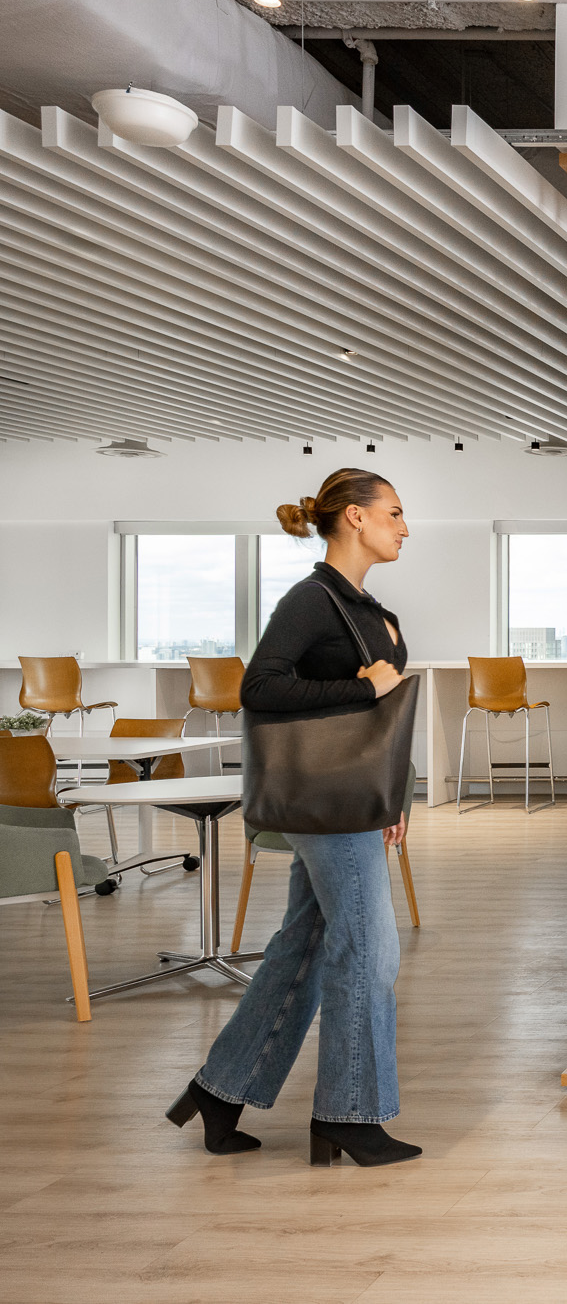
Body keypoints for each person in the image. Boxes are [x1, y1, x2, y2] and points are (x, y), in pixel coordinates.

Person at [164, 467, 421, 1168]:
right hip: (324, 807)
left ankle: (220, 1090)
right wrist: (360, 685)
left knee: (303, 948)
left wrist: (391, 799)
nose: (405, 527)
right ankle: (349, 1113)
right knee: (368, 952)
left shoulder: (365, 606)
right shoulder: (312, 599)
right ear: (355, 518)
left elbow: (380, 725)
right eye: (394, 512)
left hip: (351, 802)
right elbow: (260, 686)